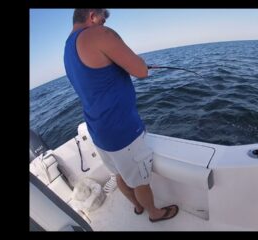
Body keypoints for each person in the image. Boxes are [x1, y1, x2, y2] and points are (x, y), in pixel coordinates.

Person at [64, 9, 179, 222]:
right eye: (103, 18)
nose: (104, 23)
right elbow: (141, 71)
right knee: (140, 181)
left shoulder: (67, 48)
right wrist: (141, 64)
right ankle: (154, 213)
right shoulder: (99, 34)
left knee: (120, 175)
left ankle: (137, 207)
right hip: (123, 132)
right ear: (92, 16)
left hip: (98, 131)